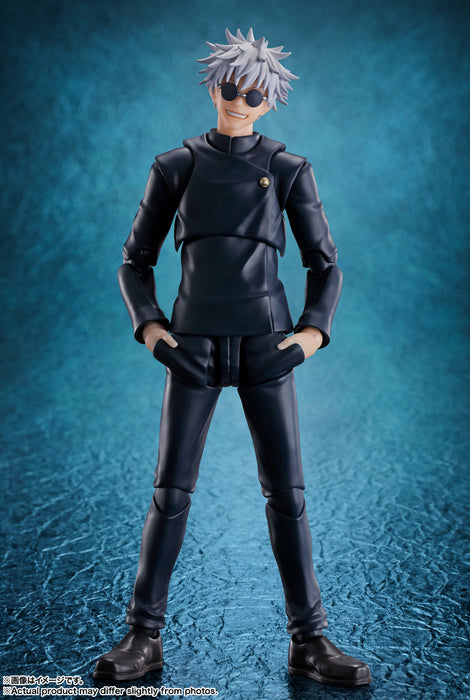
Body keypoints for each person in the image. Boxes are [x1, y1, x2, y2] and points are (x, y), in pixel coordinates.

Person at [93, 28, 371, 688]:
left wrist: (311, 334)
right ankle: (143, 636)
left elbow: (326, 264)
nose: (238, 100)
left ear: (269, 100)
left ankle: (310, 639)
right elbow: (134, 261)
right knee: (170, 493)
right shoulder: (176, 165)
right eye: (229, 87)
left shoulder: (289, 168)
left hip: (266, 347)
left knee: (288, 496)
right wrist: (151, 329)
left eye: (252, 93)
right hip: (190, 347)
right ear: (212, 87)